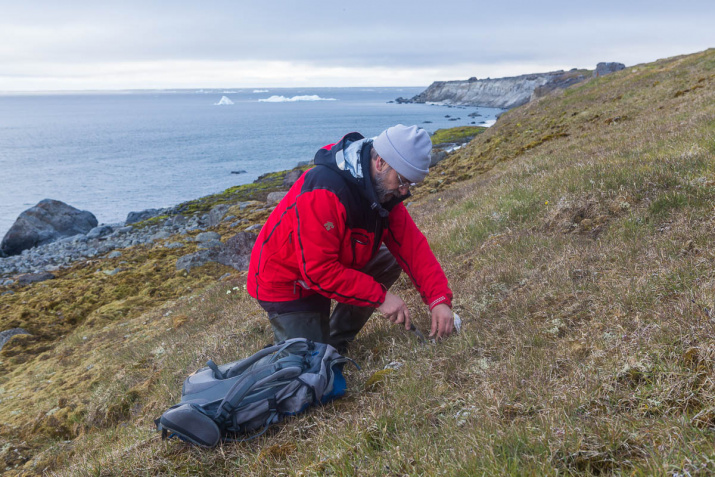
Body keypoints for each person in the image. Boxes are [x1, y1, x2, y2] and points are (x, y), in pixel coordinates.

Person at [247, 124, 454, 350]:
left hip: (329, 265)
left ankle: (336, 341)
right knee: (306, 367)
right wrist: (380, 297)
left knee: (388, 259)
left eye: (410, 184)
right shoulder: (325, 190)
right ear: (381, 162)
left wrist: (439, 300)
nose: (404, 191)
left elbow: (411, 247)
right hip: (287, 282)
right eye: (403, 180)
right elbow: (318, 271)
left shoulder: (383, 190)